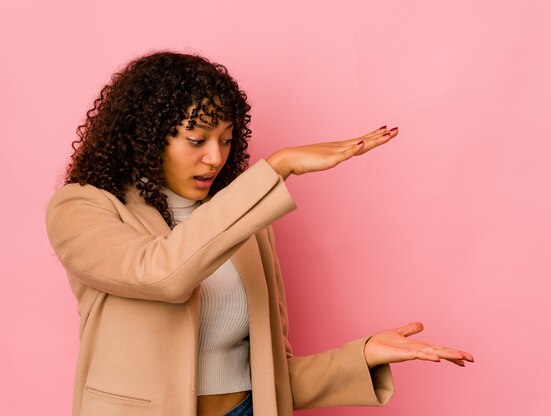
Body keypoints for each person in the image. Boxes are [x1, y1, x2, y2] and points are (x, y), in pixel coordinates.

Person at [46, 51, 473, 416]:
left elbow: (271, 374)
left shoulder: (245, 220)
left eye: (227, 140)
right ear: (145, 138)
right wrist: (277, 168)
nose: (215, 157)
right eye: (197, 140)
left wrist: (360, 357)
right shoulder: (83, 207)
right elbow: (162, 274)